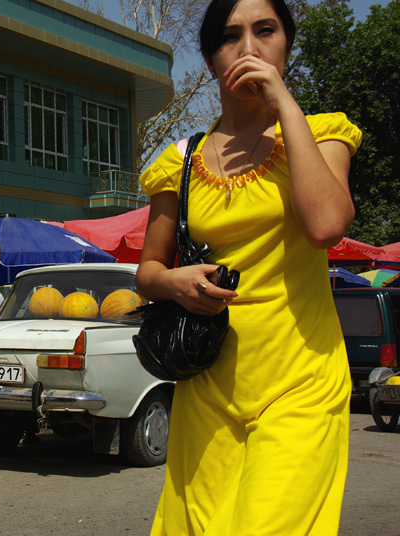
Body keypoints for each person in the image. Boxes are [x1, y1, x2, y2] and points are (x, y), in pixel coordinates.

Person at [135, 0, 361, 534]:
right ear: (211, 60)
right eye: (231, 37)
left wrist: (284, 105)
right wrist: (173, 281)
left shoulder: (321, 134)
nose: (250, 49)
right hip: (207, 381)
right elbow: (146, 270)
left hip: (300, 382)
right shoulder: (180, 162)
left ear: (286, 45)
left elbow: (328, 226)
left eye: (266, 31)